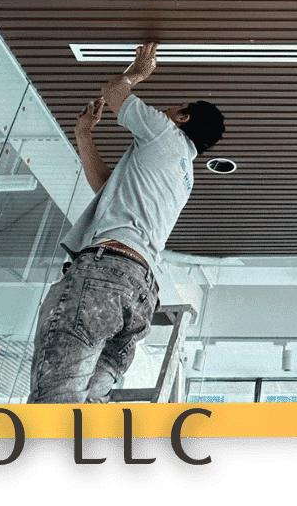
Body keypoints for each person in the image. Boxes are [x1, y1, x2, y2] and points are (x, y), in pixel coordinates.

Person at [28, 42, 226, 403]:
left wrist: (137, 72)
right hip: (139, 291)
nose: (165, 110)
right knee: (87, 402)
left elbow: (114, 92)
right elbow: (106, 186)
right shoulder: (184, 174)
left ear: (183, 117)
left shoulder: (165, 132)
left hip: (108, 273)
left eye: (175, 107)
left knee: (57, 397)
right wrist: (84, 134)